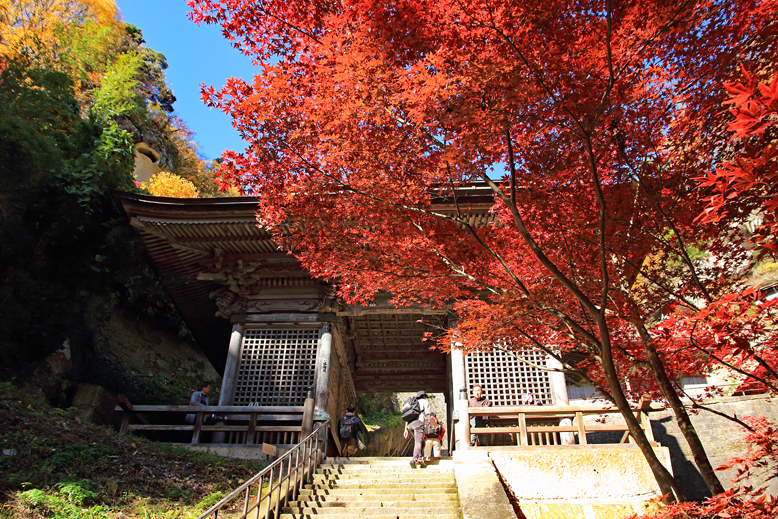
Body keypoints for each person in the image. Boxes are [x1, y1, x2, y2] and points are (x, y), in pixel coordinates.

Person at [403, 390, 430, 467]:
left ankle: (419, 458)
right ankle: (414, 459)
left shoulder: (412, 404)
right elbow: (427, 413)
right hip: (418, 423)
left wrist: (406, 429)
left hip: (410, 425)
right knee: (418, 442)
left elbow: (407, 415)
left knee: (422, 442)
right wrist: (428, 423)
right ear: (424, 396)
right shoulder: (425, 401)